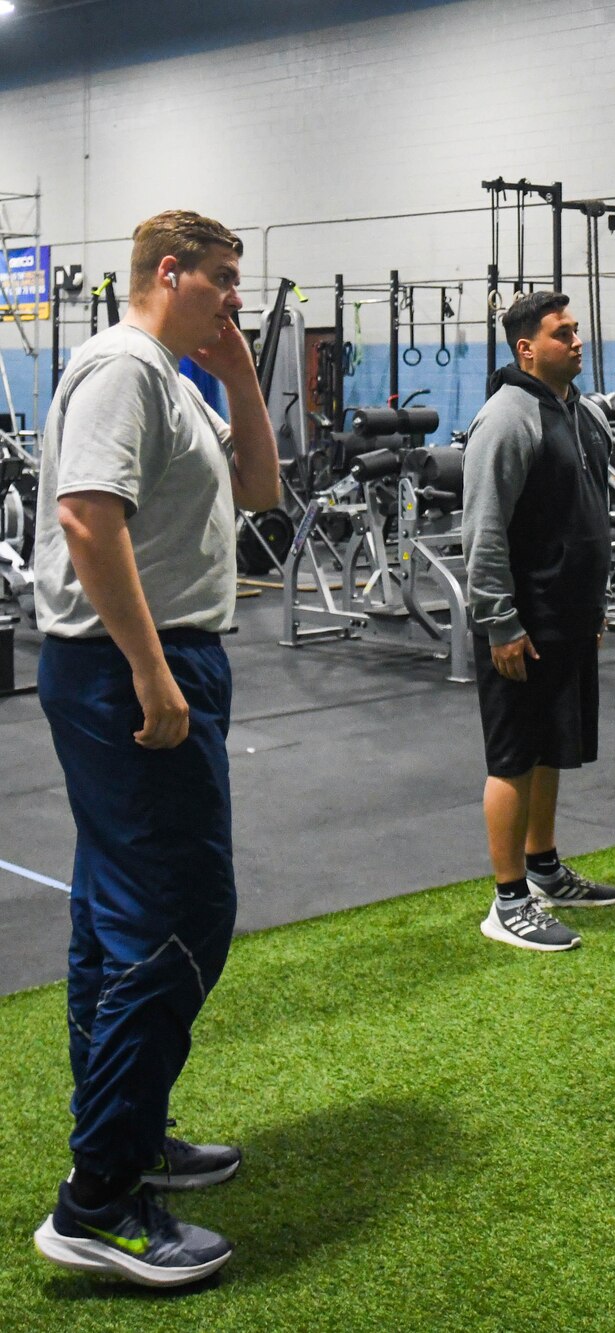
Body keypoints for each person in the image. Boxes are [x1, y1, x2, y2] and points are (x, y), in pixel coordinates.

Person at [31, 210, 279, 1287]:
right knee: (177, 913)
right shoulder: (120, 367)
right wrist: (148, 669)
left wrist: (240, 372)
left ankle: (125, 1136)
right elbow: (88, 517)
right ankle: (96, 1200)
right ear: (166, 272)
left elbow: (260, 494)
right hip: (127, 667)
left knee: (115, 910)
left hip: (159, 660)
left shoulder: (173, 377)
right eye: (221, 280)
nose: (235, 296)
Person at [462, 291, 615, 952]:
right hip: (520, 624)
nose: (577, 341)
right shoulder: (506, 418)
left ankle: (545, 868)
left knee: (553, 748)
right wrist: (499, 621)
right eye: (563, 334)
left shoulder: (577, 411)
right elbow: (484, 530)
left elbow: (589, 513)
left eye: (577, 329)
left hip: (567, 616)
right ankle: (507, 901)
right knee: (513, 759)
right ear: (526, 348)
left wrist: (593, 606)